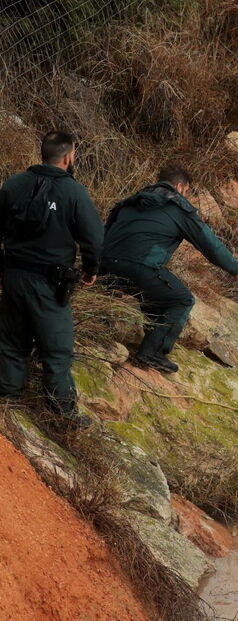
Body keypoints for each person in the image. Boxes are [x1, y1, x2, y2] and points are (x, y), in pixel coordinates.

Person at [0, 131, 104, 431]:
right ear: (69, 156)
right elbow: (94, 238)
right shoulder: (74, 193)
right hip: (50, 282)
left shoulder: (14, 184)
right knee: (56, 348)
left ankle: (8, 397)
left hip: (15, 277)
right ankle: (62, 412)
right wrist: (90, 269)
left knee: (12, 340)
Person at [101, 165, 238, 373]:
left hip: (104, 265)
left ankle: (149, 342)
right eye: (187, 192)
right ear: (180, 187)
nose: (186, 196)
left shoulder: (132, 201)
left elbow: (105, 231)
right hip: (139, 266)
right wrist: (235, 269)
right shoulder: (177, 207)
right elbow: (208, 244)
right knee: (181, 299)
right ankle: (151, 354)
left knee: (154, 294)